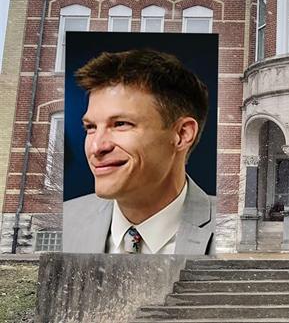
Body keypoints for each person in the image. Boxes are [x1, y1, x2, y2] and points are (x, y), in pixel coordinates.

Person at [63, 49, 215, 254]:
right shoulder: (66, 220)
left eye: (120, 124)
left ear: (181, 134)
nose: (96, 147)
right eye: (90, 128)